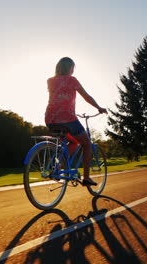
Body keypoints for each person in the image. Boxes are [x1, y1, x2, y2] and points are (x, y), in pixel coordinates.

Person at [45, 57, 107, 186]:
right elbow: (86, 97)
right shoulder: (72, 80)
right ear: (70, 68)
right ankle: (87, 178)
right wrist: (99, 108)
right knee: (87, 145)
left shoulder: (50, 81)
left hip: (50, 119)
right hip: (68, 119)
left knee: (73, 142)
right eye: (73, 67)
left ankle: (60, 165)